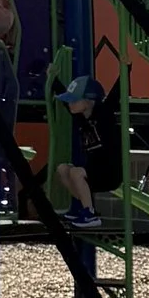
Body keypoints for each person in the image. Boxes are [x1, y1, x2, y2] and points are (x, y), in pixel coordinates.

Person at [53, 74, 124, 230]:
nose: (70, 104)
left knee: (76, 173)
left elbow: (116, 94)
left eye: (75, 100)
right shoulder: (81, 118)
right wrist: (52, 79)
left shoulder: (104, 114)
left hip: (109, 173)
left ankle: (89, 214)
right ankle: (80, 207)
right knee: (63, 169)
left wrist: (127, 67)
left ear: (89, 100)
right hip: (92, 172)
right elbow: (66, 103)